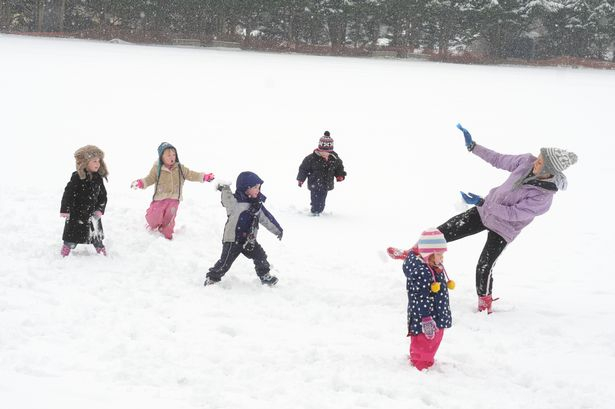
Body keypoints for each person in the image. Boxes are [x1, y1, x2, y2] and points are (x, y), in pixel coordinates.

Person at [437, 124, 578, 313]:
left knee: (484, 266)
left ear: (549, 170)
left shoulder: (543, 198)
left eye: (540, 162)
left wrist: (481, 202)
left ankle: (484, 303)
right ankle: (414, 252)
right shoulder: (526, 161)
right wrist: (474, 147)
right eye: (538, 158)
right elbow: (498, 159)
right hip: (485, 211)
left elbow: (512, 214)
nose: (535, 161)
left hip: (504, 228)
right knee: (443, 231)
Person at [205, 171, 283, 286]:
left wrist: (278, 230)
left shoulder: (257, 205)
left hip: (249, 241)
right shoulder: (234, 203)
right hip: (232, 240)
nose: (258, 190)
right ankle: (212, 278)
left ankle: (264, 275)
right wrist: (224, 187)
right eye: (255, 187)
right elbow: (226, 198)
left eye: (259, 187)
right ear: (246, 188)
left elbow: (267, 219)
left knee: (260, 256)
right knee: (225, 262)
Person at [131, 142, 214, 240]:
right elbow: (150, 179)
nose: (172, 157)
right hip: (159, 199)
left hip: (174, 200)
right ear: (162, 157)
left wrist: (204, 177)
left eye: (174, 155)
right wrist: (141, 183)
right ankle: (151, 225)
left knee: (169, 220)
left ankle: (166, 234)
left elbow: (192, 174)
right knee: (154, 217)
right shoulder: (157, 168)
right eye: (168, 155)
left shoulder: (180, 168)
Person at [403, 228, 454, 371]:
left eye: (442, 254)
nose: (442, 257)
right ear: (427, 254)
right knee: (426, 339)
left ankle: (421, 358)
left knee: (432, 339)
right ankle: (421, 364)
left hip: (435, 312)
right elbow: (420, 296)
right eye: (438, 254)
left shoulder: (432, 266)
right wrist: (426, 318)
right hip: (428, 316)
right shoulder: (422, 272)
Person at [60, 145, 109, 257]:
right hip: (76, 215)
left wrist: (99, 209)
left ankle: (102, 252)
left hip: (93, 215)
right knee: (71, 238)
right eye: (94, 161)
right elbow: (68, 194)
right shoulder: (77, 177)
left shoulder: (98, 178)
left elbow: (103, 196)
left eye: (99, 161)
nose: (98, 164)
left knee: (96, 237)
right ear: (85, 162)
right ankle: (65, 252)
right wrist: (65, 209)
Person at [296, 131, 347, 216]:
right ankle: (314, 211)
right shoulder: (311, 158)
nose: (325, 154)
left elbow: (339, 167)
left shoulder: (334, 159)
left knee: (322, 200)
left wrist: (340, 175)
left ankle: (319, 209)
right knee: (315, 199)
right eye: (322, 152)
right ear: (319, 149)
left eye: (327, 153)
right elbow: (303, 169)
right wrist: (301, 179)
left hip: (326, 183)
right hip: (314, 183)